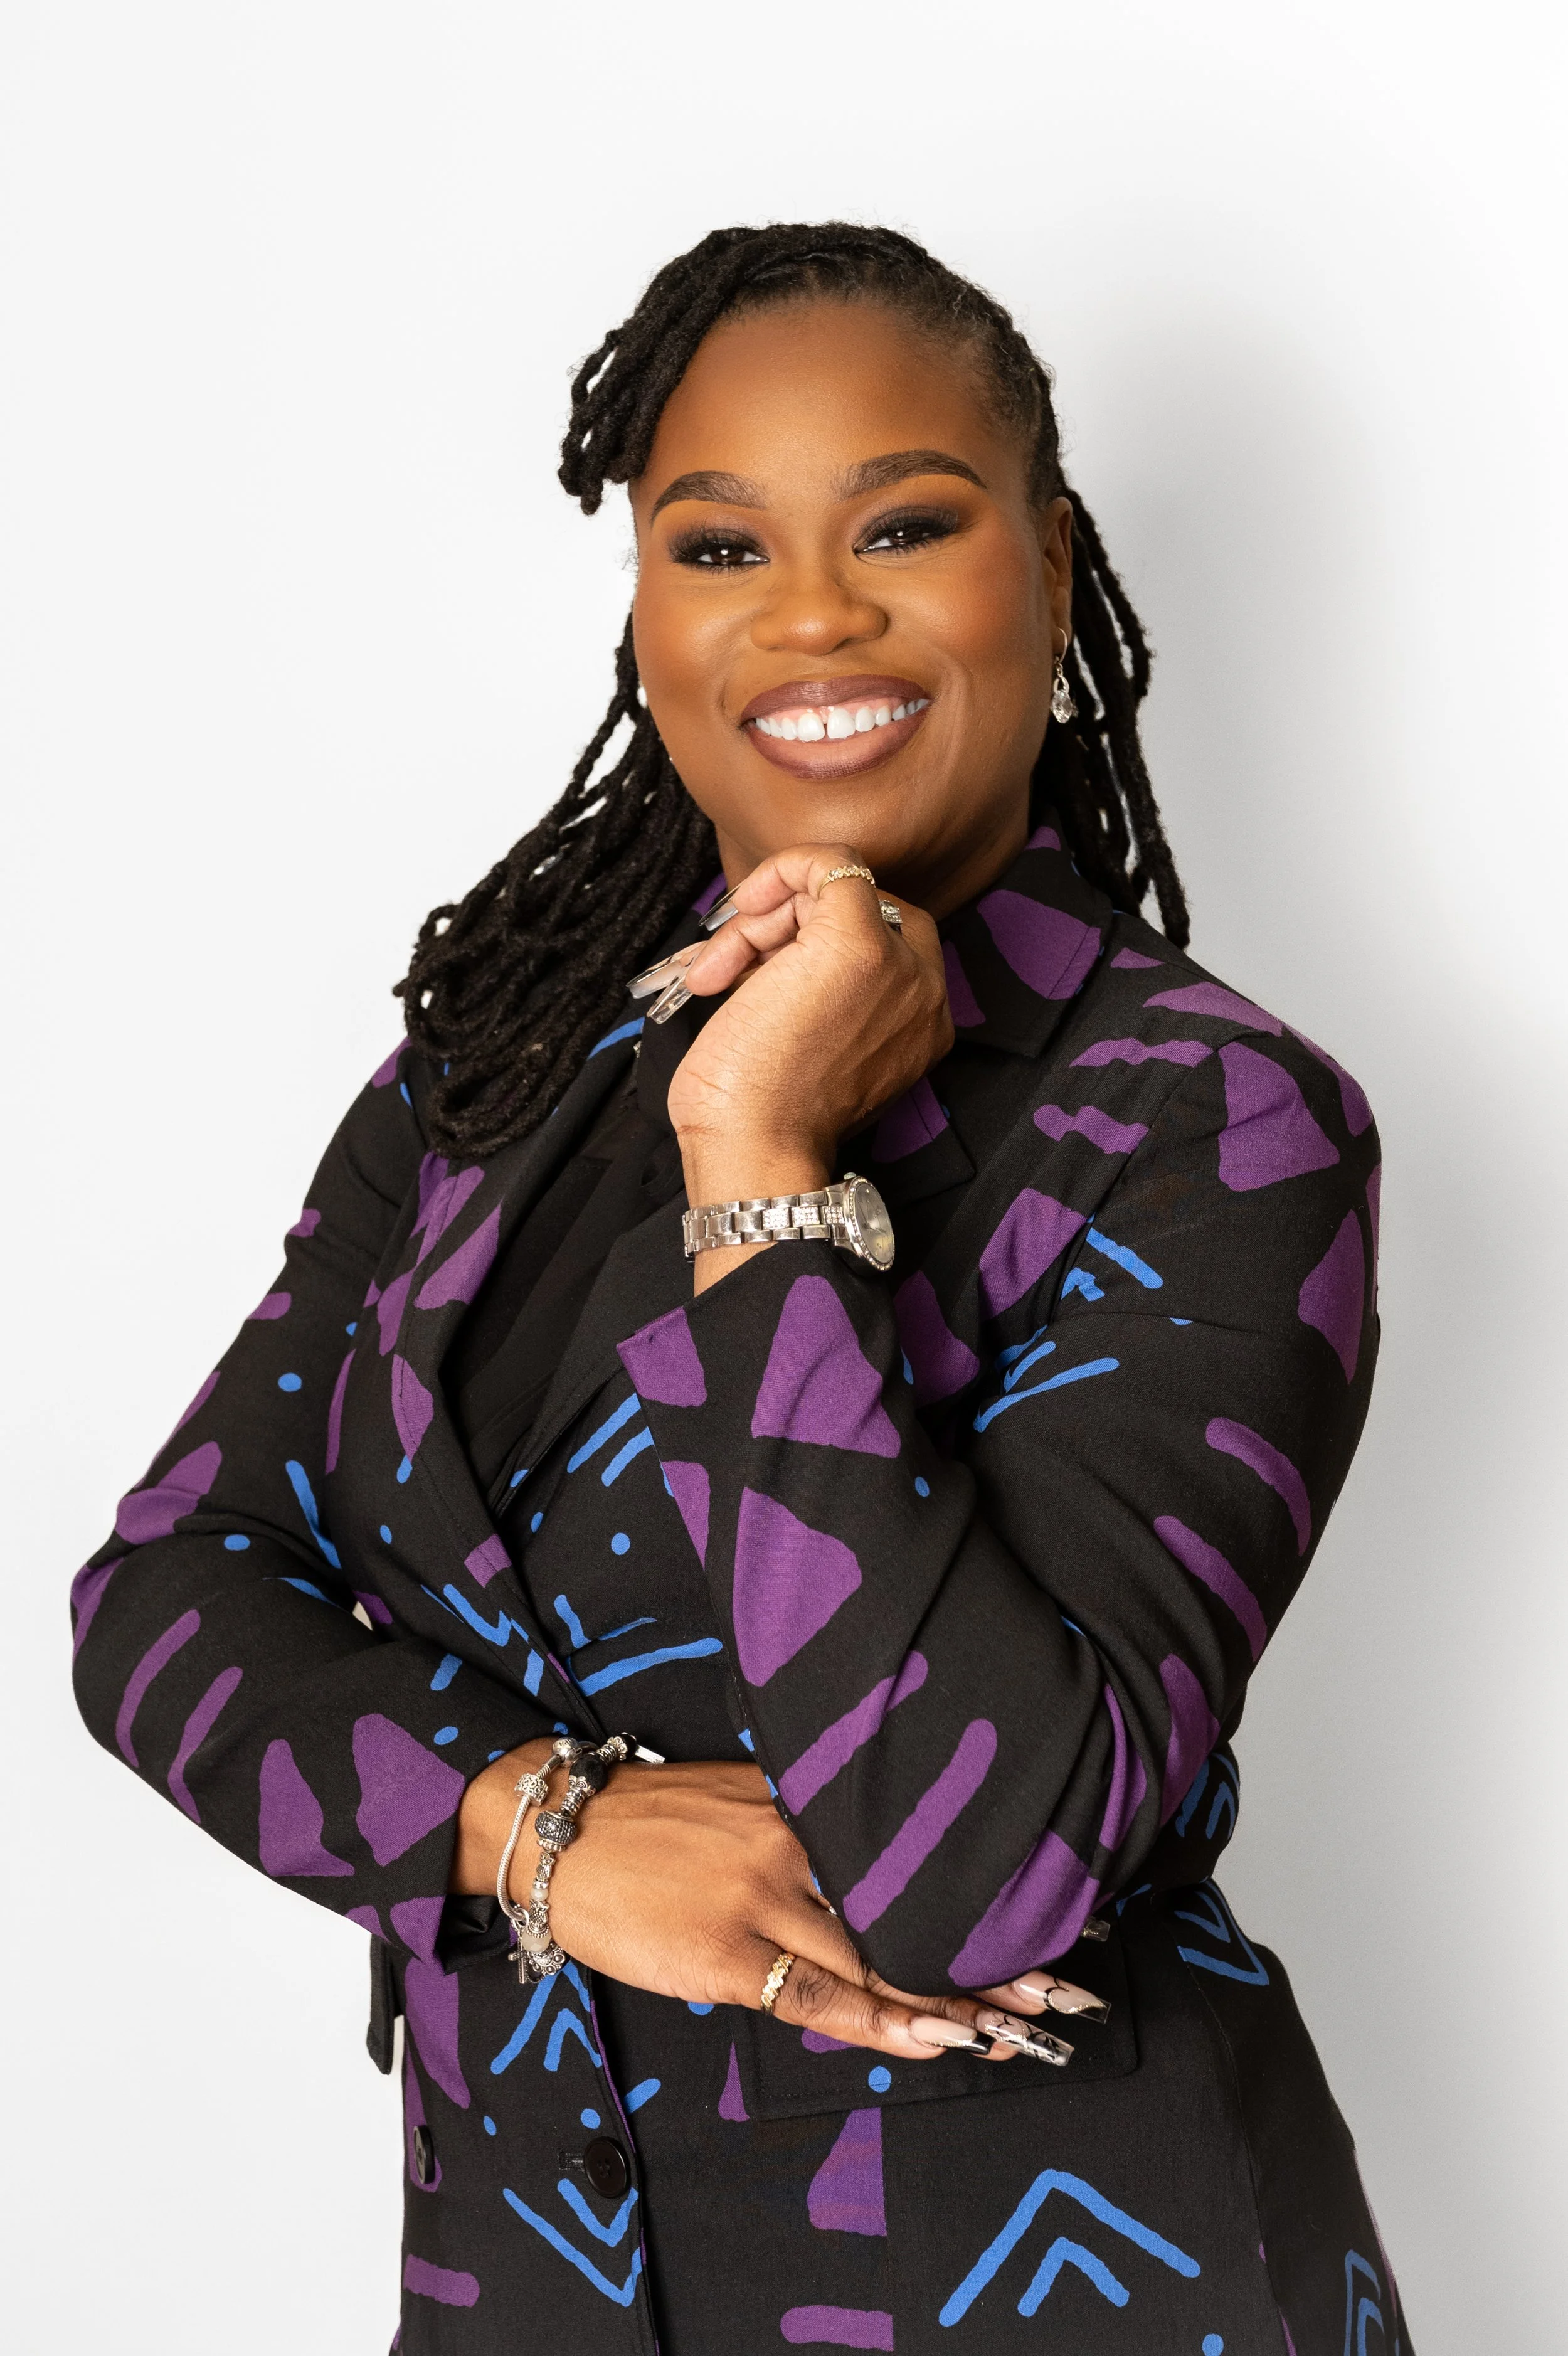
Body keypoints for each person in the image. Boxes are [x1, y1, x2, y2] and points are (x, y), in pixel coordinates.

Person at [71, 223, 1407, 2355]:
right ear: (641, 608)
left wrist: (764, 1160)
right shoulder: (490, 1076)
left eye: (904, 522)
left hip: (1051, 2281)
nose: (808, 614)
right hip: (521, 2277)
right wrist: (539, 1830)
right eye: (716, 545)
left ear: (1050, 569)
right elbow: (161, 1597)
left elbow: (974, 1865)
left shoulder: (1212, 1119)